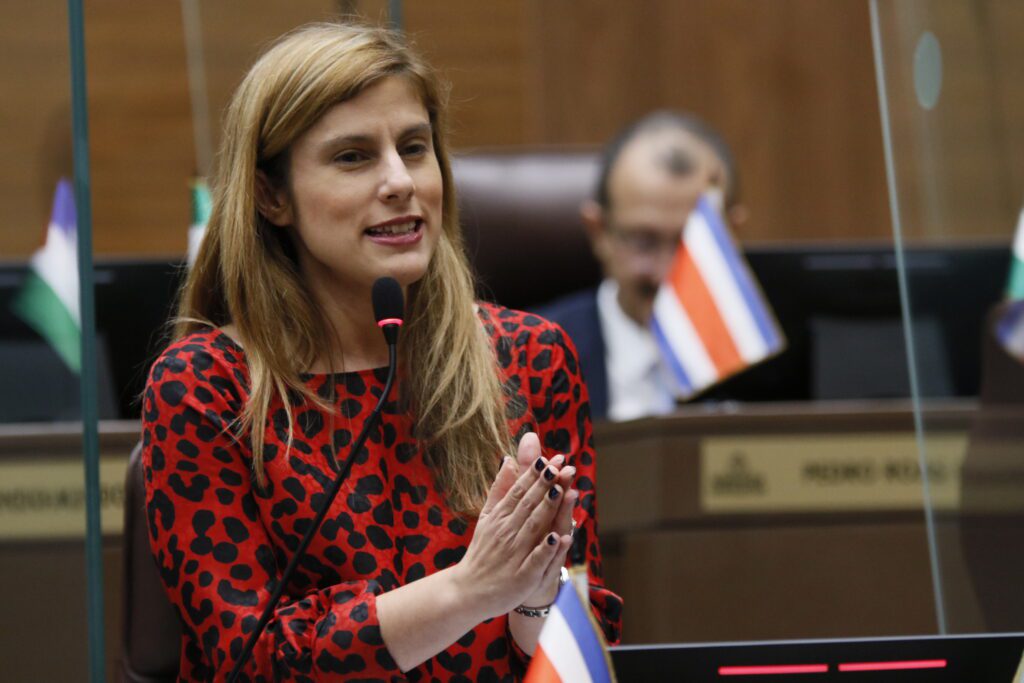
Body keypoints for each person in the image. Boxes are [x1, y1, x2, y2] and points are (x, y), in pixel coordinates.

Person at [141, 22, 620, 681]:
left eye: (415, 148)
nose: (400, 181)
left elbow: (580, 638)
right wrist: (470, 588)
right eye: (353, 157)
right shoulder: (205, 387)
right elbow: (252, 658)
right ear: (272, 196)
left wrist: (537, 594)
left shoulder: (531, 359)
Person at [536, 111, 745, 422]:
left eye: (692, 245)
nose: (666, 272)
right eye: (644, 242)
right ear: (598, 232)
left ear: (732, 235)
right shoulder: (532, 358)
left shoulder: (781, 367)